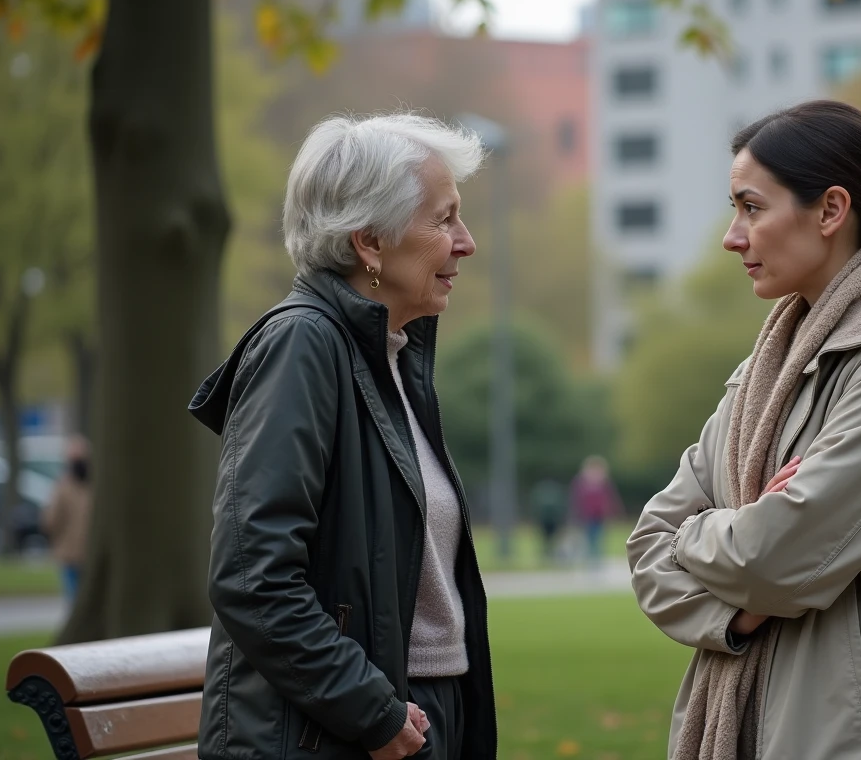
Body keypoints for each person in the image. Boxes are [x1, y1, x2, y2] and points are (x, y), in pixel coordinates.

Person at [627, 101, 861, 760]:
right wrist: (737, 609)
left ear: (830, 210)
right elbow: (648, 547)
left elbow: (771, 560)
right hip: (757, 726)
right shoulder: (762, 377)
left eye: (752, 208)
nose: (732, 236)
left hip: (860, 740)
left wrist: (704, 535)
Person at [189, 114, 496, 760]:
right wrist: (371, 711)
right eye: (444, 219)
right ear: (370, 243)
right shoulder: (303, 345)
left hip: (412, 714)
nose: (466, 242)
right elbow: (253, 577)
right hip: (350, 729)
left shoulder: (391, 356)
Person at [42, 435, 92, 604]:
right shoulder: (96, 483)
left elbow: (50, 520)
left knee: (74, 600)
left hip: (70, 552)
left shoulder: (63, 486)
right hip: (87, 552)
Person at [569, 456, 621, 565]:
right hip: (586, 515)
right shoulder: (581, 483)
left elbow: (610, 498)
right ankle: (591, 559)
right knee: (589, 537)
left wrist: (612, 512)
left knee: (598, 537)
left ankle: (596, 559)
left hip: (600, 515)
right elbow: (576, 499)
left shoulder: (604, 483)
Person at [528, 478, 566, 563]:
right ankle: (548, 551)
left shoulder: (544, 493)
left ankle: (549, 550)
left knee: (550, 537)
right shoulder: (550, 494)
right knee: (546, 537)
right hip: (547, 519)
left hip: (551, 519)